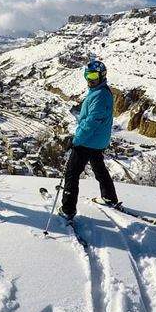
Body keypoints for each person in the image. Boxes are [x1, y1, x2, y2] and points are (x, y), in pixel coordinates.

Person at [59, 59, 120, 220]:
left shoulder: (99, 96)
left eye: (93, 76)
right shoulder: (100, 91)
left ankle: (68, 209)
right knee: (99, 169)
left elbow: (91, 122)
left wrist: (76, 140)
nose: (90, 79)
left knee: (72, 173)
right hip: (98, 142)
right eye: (87, 75)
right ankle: (109, 197)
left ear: (102, 76)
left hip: (87, 141)